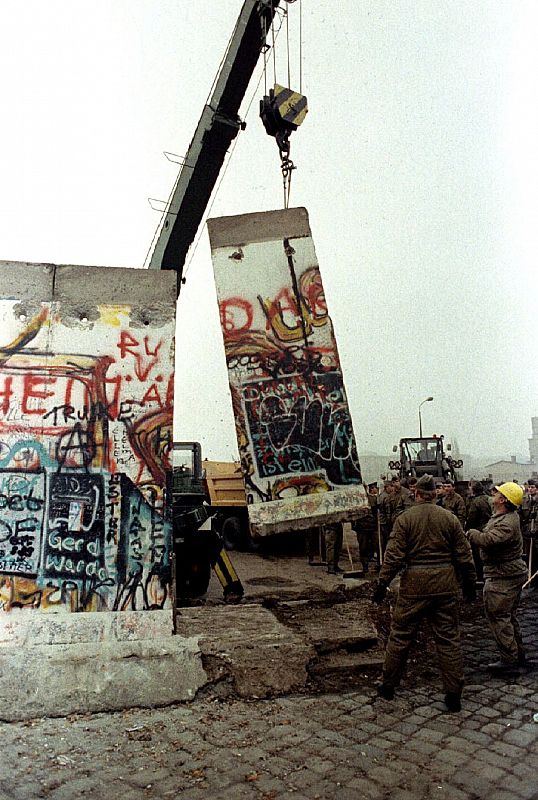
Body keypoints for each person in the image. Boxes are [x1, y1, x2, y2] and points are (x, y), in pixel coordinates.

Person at [372, 473, 476, 712]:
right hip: (445, 584)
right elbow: (464, 555)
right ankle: (453, 695)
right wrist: (469, 584)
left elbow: (393, 556)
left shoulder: (405, 519)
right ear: (435, 493)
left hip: (414, 586)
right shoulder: (449, 518)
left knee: (400, 636)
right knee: (448, 639)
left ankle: (388, 686)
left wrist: (381, 584)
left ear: (416, 494)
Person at [467, 482, 527, 672]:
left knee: (499, 616)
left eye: (497, 493)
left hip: (503, 575)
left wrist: (471, 533)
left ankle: (509, 660)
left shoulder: (507, 522)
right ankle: (517, 654)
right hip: (505, 572)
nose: (494, 494)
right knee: (507, 615)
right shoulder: (504, 517)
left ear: (503, 500)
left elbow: (488, 540)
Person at [465, 481, 492, 582]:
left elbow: (472, 518)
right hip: (488, 529)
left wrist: (466, 530)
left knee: (477, 556)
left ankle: (480, 577)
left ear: (473, 489)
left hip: (478, 530)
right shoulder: (488, 498)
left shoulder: (475, 502)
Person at [353, 483, 379, 572]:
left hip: (372, 527)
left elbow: (376, 513)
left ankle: (378, 564)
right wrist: (354, 526)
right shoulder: (356, 501)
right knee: (363, 547)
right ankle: (365, 565)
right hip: (361, 528)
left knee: (375, 546)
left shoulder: (373, 499)